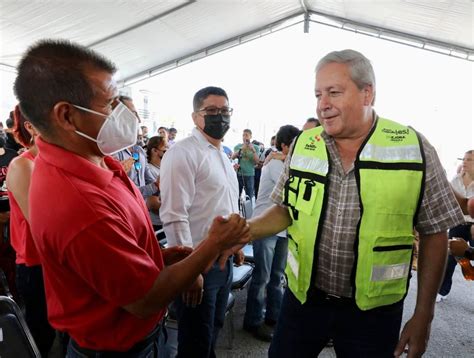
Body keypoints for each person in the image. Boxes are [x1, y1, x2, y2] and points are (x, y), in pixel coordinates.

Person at [13, 39, 250, 356]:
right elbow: (144, 299)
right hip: (119, 348)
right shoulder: (77, 204)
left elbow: (114, 257)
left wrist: (157, 258)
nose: (122, 117)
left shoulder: (96, 158)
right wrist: (212, 245)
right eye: (109, 105)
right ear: (67, 116)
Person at [245, 49, 464, 358]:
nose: (323, 104)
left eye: (334, 92)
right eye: (318, 94)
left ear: (367, 94)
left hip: (374, 312)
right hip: (302, 301)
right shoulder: (305, 144)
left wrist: (424, 314)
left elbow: (435, 232)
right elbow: (284, 210)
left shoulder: (413, 148)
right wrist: (245, 230)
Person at [160, 86, 242, 358]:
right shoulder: (183, 153)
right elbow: (174, 214)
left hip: (224, 260)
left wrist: (237, 242)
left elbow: (227, 205)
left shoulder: (221, 154)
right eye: (212, 111)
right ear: (196, 117)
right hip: (199, 262)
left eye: (225, 111)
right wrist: (188, 269)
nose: (220, 117)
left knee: (212, 331)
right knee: (196, 339)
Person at [6, 105, 55, 356]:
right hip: (36, 264)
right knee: (41, 335)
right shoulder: (23, 165)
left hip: (60, 262)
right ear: (31, 127)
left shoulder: (57, 163)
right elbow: (41, 224)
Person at [243, 125, 300, 342]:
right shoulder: (276, 164)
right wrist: (281, 156)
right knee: (263, 277)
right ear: (285, 145)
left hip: (283, 229)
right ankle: (253, 321)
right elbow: (290, 189)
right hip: (266, 226)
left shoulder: (282, 160)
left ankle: (274, 317)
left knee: (277, 276)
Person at [437, 150, 474, 302]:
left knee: (466, 257)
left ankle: (468, 268)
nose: (464, 162)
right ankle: (443, 291)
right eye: (464, 159)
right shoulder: (456, 180)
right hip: (458, 223)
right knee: (450, 258)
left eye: (469, 160)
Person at [145, 135, 168, 232]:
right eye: (165, 150)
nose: (168, 151)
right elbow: (152, 204)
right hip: (157, 224)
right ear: (155, 151)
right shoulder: (149, 170)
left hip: (166, 220)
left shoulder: (165, 167)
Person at [232, 129, 260, 199]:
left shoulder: (256, 147)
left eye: (246, 135)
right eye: (243, 135)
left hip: (250, 175)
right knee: (236, 196)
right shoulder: (238, 146)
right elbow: (232, 157)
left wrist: (253, 150)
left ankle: (248, 209)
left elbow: (257, 161)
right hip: (239, 174)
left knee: (249, 197)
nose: (244, 137)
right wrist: (241, 149)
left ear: (250, 137)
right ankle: (237, 210)